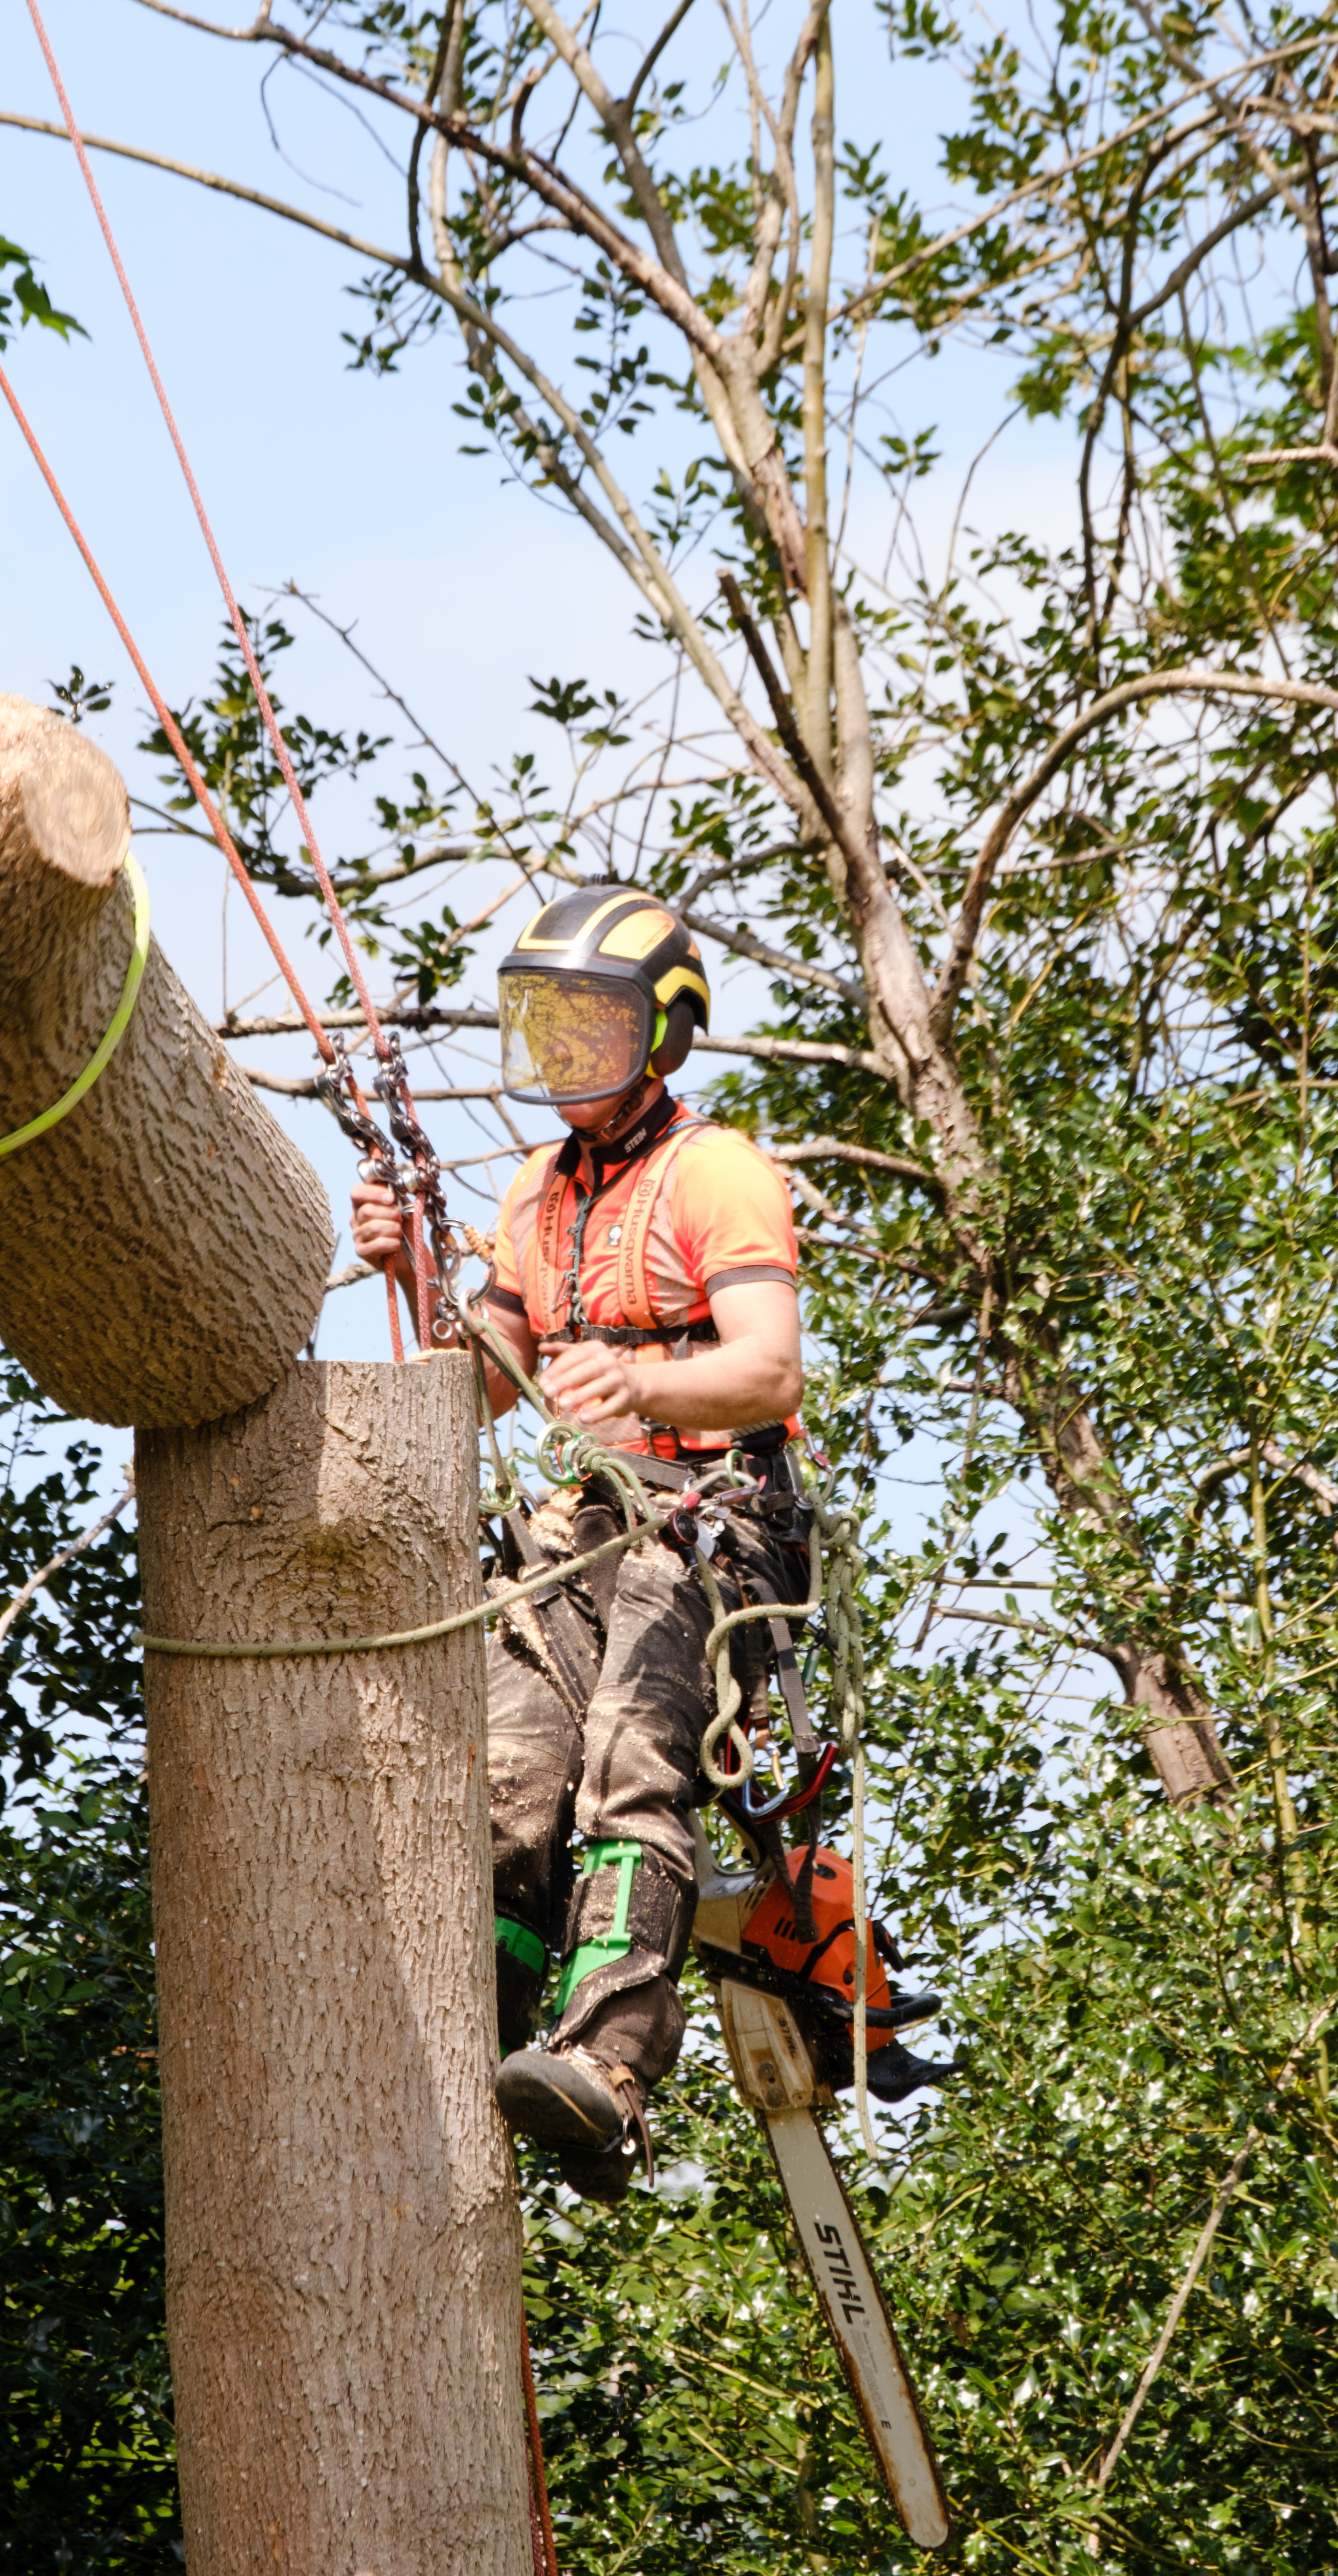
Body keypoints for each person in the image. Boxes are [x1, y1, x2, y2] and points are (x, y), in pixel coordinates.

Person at [349, 883, 809, 2197]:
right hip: (591, 1526)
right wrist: (412, 1276)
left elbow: (769, 1373)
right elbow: (482, 1376)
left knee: (630, 1753)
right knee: (506, 1768)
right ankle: (469, 2034)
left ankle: (608, 2069)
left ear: (662, 1039)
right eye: (547, 1029)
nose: (564, 1059)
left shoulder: (715, 1171)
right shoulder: (539, 1195)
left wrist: (646, 1387)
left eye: (593, 1031)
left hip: (720, 1521)